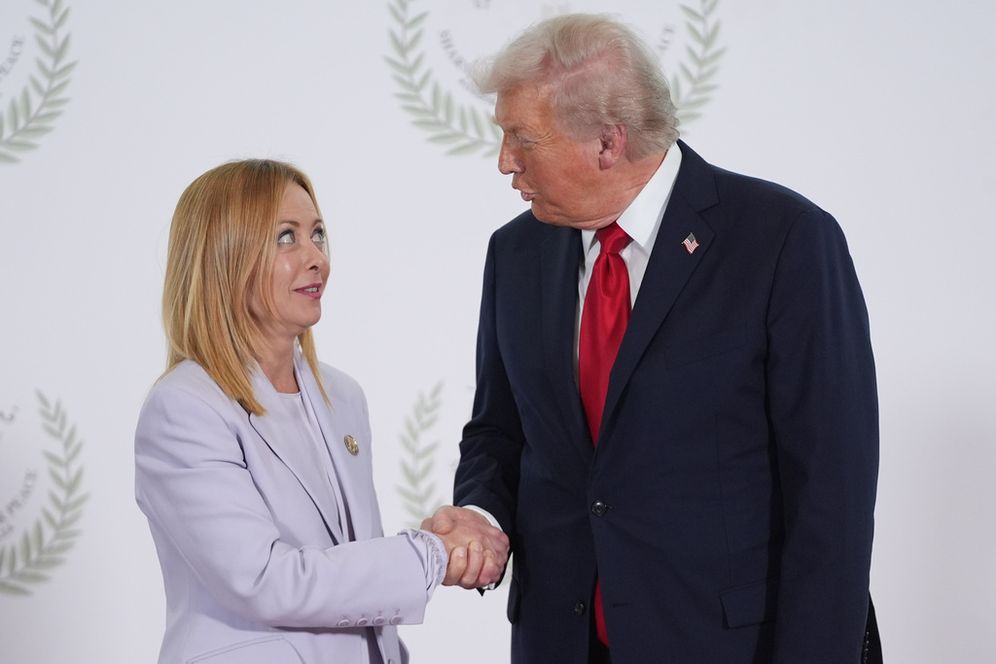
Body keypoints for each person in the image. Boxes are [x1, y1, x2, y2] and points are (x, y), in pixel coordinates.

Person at [424, 13, 882, 664]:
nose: (504, 163)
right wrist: (485, 519)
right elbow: (499, 432)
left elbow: (830, 498)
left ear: (608, 143)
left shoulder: (784, 241)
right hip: (562, 642)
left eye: (521, 139)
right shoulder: (515, 254)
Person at [134, 159, 507, 664]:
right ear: (225, 256)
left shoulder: (341, 395)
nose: (316, 258)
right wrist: (433, 554)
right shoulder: (184, 409)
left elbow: (349, 574)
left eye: (318, 234)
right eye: (286, 237)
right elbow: (266, 580)